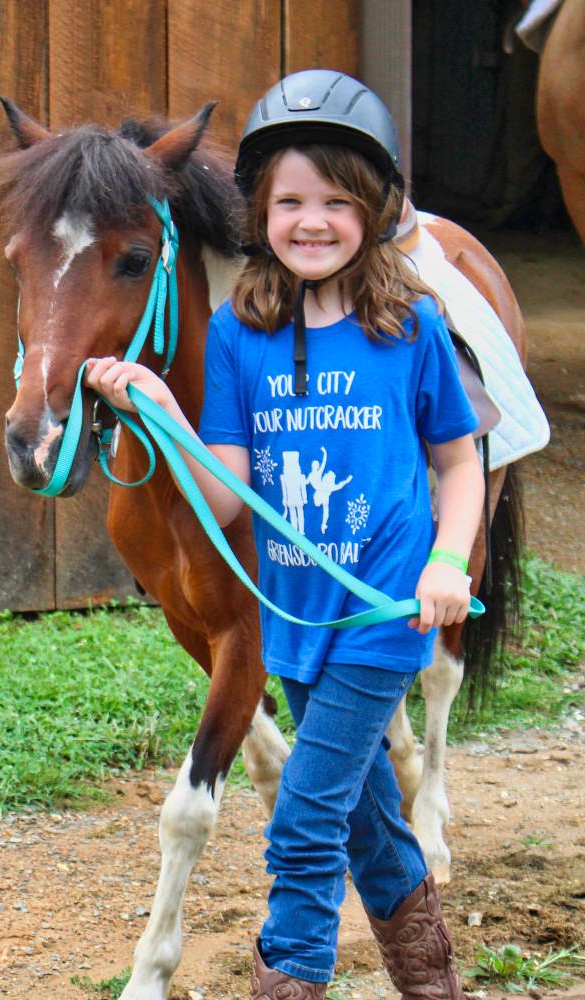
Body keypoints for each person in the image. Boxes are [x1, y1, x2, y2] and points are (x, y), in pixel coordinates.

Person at [86, 69, 482, 1000]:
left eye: (338, 202)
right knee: (368, 822)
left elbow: (460, 463)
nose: (313, 221)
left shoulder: (412, 325)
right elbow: (226, 498)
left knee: (305, 819)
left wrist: (451, 559)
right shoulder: (237, 334)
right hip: (293, 620)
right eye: (292, 200)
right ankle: (433, 984)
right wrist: (155, 408)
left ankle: (289, 984)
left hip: (382, 615)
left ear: (376, 210)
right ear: (257, 209)